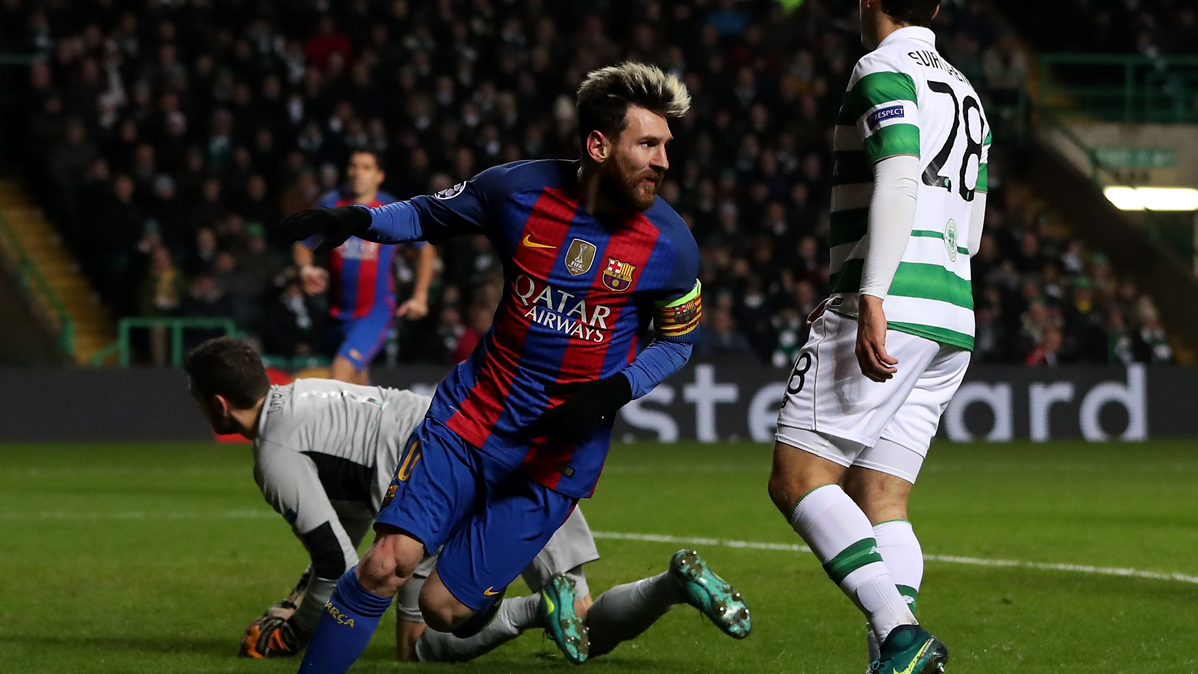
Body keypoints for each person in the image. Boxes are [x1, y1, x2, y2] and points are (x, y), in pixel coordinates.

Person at [277, 63, 742, 673]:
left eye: (666, 147)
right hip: (470, 420)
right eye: (648, 145)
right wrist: (361, 220)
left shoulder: (671, 246)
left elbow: (678, 342)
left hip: (554, 456)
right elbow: (426, 215)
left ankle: (530, 605)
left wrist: (611, 392)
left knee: (444, 609)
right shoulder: (516, 191)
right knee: (385, 563)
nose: (663, 161)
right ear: (598, 145)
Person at [182, 337, 748, 664]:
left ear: (219, 404)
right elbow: (347, 515)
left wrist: (296, 630)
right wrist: (298, 596)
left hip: (429, 479)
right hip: (490, 437)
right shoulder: (307, 396)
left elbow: (336, 560)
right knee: (583, 617)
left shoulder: (274, 453)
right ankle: (671, 584)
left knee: (416, 643)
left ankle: (530, 610)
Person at [766, 1, 991, 673]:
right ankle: (900, 656)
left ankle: (899, 633)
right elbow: (973, 221)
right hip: (954, 305)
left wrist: (870, 293)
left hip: (896, 295)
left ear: (868, 2)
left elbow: (898, 175)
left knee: (798, 477)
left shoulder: (882, 66)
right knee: (881, 496)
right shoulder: (965, 87)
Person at [292, 150, 437, 383]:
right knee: (357, 386)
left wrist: (420, 296)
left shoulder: (392, 210)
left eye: (366, 167)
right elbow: (302, 241)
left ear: (379, 175)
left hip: (375, 312)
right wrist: (306, 269)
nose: (358, 172)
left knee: (339, 376)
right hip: (336, 313)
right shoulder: (331, 204)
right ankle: (381, 419)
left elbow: (425, 249)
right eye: (353, 166)